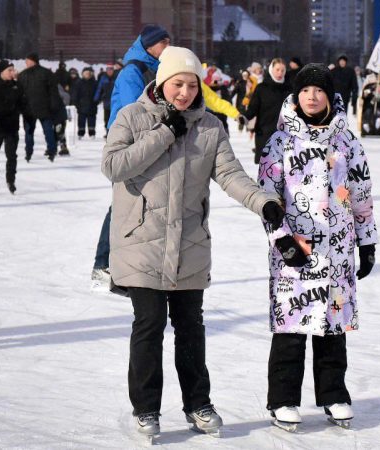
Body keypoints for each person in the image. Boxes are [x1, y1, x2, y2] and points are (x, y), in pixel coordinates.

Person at [101, 46, 283, 439]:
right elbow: (113, 166)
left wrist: (264, 203)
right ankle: (146, 409)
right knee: (148, 324)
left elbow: (231, 175)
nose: (184, 92)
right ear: (162, 82)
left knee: (190, 327)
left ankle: (197, 403)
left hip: (189, 244)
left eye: (191, 84)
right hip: (140, 242)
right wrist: (165, 133)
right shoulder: (133, 117)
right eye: (176, 83)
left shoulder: (210, 128)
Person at [257, 63, 377, 431]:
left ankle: (334, 395)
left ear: (329, 96)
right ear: (296, 95)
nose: (312, 96)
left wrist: (367, 240)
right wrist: (282, 241)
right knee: (291, 329)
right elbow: (266, 199)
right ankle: (283, 400)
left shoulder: (346, 141)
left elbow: (361, 193)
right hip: (295, 252)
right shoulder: (280, 142)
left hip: (338, 250)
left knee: (333, 328)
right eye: (305, 90)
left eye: (319, 90)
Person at [91, 24, 171, 287]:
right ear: (150, 45)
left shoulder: (156, 70)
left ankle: (131, 266)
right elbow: (133, 112)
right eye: (164, 42)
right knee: (123, 206)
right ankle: (102, 267)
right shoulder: (132, 72)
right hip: (126, 145)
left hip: (147, 144)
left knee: (141, 206)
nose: (168, 46)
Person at [0, 60, 25, 194]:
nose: (13, 73)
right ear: (2, 72)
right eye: (10, 70)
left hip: (11, 127)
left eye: (13, 70)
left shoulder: (17, 86)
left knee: (11, 155)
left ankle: (11, 180)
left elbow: (23, 104)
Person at [242, 58, 291, 164]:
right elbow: (253, 109)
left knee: (285, 169)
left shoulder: (289, 89)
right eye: (277, 69)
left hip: (285, 134)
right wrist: (244, 117)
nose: (280, 73)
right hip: (264, 133)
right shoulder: (262, 88)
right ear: (271, 70)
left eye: (282, 70)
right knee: (267, 170)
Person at [17, 53, 59, 162]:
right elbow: (53, 92)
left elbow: (19, 93)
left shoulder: (22, 75)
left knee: (29, 133)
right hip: (44, 108)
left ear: (32, 61)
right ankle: (52, 151)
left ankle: (28, 153)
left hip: (28, 110)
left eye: (27, 61)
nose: (25, 63)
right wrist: (53, 106)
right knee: (48, 131)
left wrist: (20, 107)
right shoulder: (47, 73)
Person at [72, 67, 100, 139]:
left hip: (92, 105)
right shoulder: (79, 82)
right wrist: (76, 102)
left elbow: (99, 93)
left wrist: (97, 101)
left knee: (92, 120)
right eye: (85, 73)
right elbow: (75, 93)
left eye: (88, 73)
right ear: (83, 74)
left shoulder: (94, 82)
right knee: (81, 120)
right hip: (81, 105)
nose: (87, 75)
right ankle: (81, 133)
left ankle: (92, 133)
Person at [93, 64, 117, 136]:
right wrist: (96, 98)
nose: (109, 71)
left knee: (114, 117)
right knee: (106, 118)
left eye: (111, 69)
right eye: (108, 70)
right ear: (106, 70)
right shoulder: (103, 78)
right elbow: (99, 89)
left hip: (115, 101)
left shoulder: (116, 77)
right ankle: (107, 131)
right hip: (106, 101)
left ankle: (114, 133)